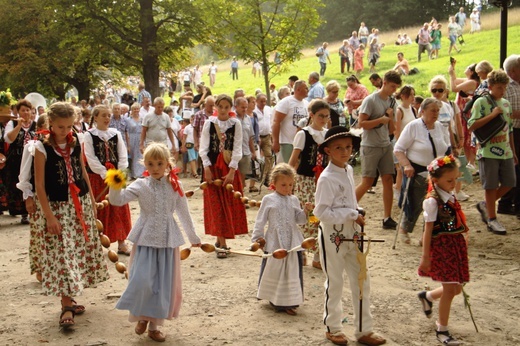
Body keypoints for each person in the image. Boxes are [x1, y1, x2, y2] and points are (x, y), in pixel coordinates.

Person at [109, 142, 201, 342]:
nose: (156, 168)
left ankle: (154, 325)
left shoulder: (176, 185)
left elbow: (183, 212)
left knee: (163, 284)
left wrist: (193, 237)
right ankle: (141, 314)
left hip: (168, 240)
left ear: (168, 163)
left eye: (160, 163)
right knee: (142, 280)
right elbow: (118, 200)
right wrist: (115, 184)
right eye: (151, 164)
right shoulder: (141, 184)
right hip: (145, 238)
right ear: (145, 165)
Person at [33, 102, 108, 329]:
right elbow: (39, 184)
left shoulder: (77, 141)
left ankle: (71, 298)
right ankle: (66, 304)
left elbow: (82, 171)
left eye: (68, 126)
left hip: (80, 203)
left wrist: (92, 200)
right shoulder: (40, 147)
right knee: (62, 253)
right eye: (59, 127)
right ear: (50, 124)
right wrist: (49, 216)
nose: (64, 131)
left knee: (75, 249)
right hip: (56, 206)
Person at [314, 126, 386, 346]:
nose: (345, 152)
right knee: (335, 281)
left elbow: (348, 201)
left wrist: (357, 211)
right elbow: (321, 212)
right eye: (338, 148)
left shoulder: (347, 170)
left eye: (348, 147)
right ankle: (333, 327)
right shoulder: (326, 178)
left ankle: (364, 330)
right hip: (332, 237)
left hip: (353, 234)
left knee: (361, 280)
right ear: (328, 151)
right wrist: (351, 213)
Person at [416, 155, 468, 346]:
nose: (454, 183)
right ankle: (442, 329)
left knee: (456, 288)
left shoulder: (449, 194)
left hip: (454, 245)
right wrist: (425, 257)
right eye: (449, 180)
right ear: (436, 180)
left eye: (456, 179)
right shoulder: (432, 201)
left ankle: (427, 296)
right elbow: (428, 230)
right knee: (449, 289)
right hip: (442, 248)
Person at [251, 163, 311, 315]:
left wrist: (305, 211)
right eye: (283, 184)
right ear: (274, 184)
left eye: (291, 184)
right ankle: (275, 300)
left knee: (291, 270)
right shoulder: (268, 199)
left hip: (292, 241)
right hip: (274, 240)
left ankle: (290, 301)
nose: (288, 188)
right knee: (275, 269)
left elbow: (300, 220)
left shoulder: (294, 200)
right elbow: (260, 220)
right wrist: (258, 238)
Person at [394, 98, 450, 244]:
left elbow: (447, 147)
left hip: (438, 173)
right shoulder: (414, 126)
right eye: (433, 110)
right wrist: (406, 165)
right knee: (417, 203)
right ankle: (404, 229)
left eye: (437, 110)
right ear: (423, 111)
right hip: (418, 172)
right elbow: (399, 149)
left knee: (436, 204)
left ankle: (428, 235)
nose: (436, 113)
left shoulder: (439, 127)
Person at [469, 69, 517, 235]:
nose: (502, 91)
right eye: (499, 87)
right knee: (490, 185)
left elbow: (509, 128)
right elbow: (472, 125)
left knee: (510, 182)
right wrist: (492, 115)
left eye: (504, 87)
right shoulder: (481, 102)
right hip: (487, 151)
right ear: (490, 86)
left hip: (506, 151)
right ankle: (491, 218)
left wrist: (513, 151)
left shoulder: (505, 103)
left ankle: (485, 205)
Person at [199, 94, 247, 254]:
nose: (223, 110)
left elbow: (238, 147)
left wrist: (233, 169)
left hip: (228, 168)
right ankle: (222, 242)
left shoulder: (236, 124)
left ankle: (221, 239)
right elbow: (203, 147)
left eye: (227, 107)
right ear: (216, 107)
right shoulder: (209, 123)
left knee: (228, 202)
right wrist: (206, 167)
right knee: (216, 205)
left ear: (231, 108)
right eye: (221, 107)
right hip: (213, 167)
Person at [356, 71, 402, 230]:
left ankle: (387, 217)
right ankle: (348, 209)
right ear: (384, 83)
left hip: (386, 144)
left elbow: (392, 129)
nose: (393, 90)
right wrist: (381, 119)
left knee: (388, 179)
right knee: (368, 181)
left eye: (396, 87)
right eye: (392, 86)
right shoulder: (370, 100)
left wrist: (389, 119)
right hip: (370, 145)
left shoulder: (392, 103)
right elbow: (361, 123)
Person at [84, 105, 132, 254]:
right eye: (103, 115)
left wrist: (119, 173)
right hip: (98, 178)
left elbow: (122, 155)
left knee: (118, 208)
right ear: (95, 117)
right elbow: (90, 158)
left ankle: (122, 242)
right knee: (100, 209)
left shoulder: (115, 134)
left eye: (108, 115)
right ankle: (97, 243)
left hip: (116, 177)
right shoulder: (89, 135)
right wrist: (105, 174)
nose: (107, 118)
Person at [288, 100, 329, 270]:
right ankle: (302, 250)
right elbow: (294, 159)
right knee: (308, 215)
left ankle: (318, 255)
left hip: (322, 181)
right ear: (311, 115)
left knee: (320, 216)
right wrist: (287, 181)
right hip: (306, 181)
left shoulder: (328, 134)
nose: (324, 119)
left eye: (326, 116)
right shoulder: (304, 134)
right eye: (321, 116)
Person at [4, 99, 36, 224]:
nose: (26, 113)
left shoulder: (36, 124)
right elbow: (9, 139)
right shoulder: (12, 124)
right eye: (23, 110)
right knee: (18, 184)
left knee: (32, 183)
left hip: (33, 159)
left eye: (28, 110)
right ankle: (22, 213)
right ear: (18, 112)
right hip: (16, 159)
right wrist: (18, 126)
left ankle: (32, 210)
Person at [498, 55, 520, 217]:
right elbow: (501, 111)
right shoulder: (505, 87)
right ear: (513, 71)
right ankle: (507, 204)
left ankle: (511, 203)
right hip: (511, 133)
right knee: (514, 169)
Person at [449, 59, 480, 173]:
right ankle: (470, 163)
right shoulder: (469, 81)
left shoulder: (472, 82)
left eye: (468, 68)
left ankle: (471, 162)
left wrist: (451, 74)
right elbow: (456, 81)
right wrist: (452, 69)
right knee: (465, 136)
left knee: (466, 136)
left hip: (466, 113)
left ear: (471, 72)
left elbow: (454, 88)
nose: (465, 69)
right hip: (463, 112)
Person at [272, 80, 309, 163]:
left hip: (301, 142)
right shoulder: (286, 102)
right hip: (287, 142)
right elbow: (276, 122)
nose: (308, 90)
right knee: (288, 167)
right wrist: (275, 141)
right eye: (306, 88)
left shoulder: (306, 103)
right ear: (298, 89)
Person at [393, 85, 417, 198]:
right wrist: (400, 147)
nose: (413, 97)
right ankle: (397, 189)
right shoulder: (399, 111)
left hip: (412, 144)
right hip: (403, 144)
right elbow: (397, 131)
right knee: (400, 169)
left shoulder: (413, 109)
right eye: (411, 95)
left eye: (413, 94)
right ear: (403, 96)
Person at [235, 97, 256, 188]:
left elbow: (250, 137)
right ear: (236, 107)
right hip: (235, 151)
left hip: (246, 151)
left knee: (243, 175)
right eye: (242, 107)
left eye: (246, 107)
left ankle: (241, 194)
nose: (244, 109)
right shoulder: (232, 118)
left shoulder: (248, 119)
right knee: (235, 174)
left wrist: (253, 151)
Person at [127, 103, 145, 179]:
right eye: (134, 109)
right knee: (133, 156)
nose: (136, 110)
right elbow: (126, 131)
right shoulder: (128, 120)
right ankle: (133, 173)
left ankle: (141, 173)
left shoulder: (142, 119)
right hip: (132, 138)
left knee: (140, 155)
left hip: (140, 137)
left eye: (137, 109)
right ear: (132, 110)